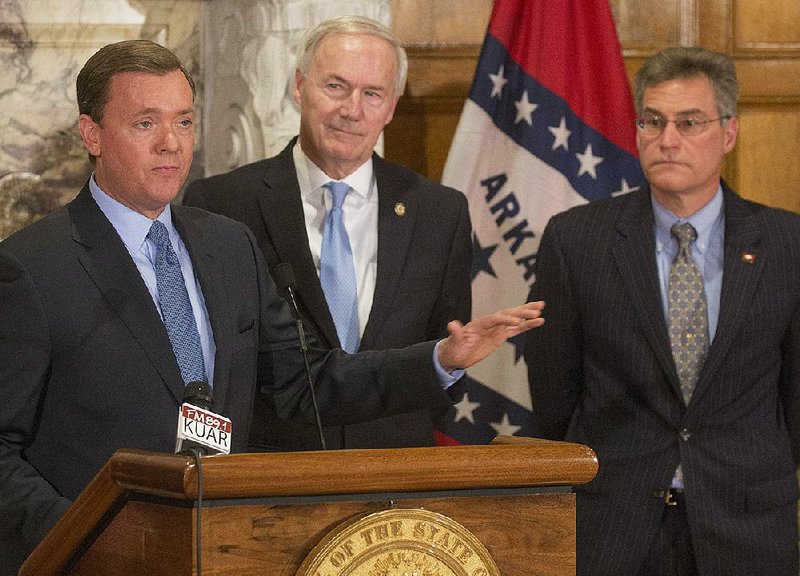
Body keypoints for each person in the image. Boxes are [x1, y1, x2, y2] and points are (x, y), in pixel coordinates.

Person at [0, 39, 544, 575]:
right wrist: (87, 537)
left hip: (228, 549)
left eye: (184, 122)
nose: (171, 143)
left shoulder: (227, 245)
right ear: (92, 133)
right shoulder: (32, 267)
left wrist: (439, 359)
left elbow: (304, 380)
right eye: (145, 123)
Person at [525, 46, 800, 576]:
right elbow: (555, 392)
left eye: (689, 122)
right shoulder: (577, 239)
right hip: (614, 523)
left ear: (729, 133)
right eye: (652, 122)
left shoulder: (787, 244)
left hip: (748, 528)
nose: (667, 139)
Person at [182, 16, 472, 451]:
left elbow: (445, 355)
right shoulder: (221, 204)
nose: (351, 109)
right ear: (299, 86)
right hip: (271, 471)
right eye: (335, 86)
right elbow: (212, 362)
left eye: (372, 93)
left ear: (391, 107)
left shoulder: (439, 212)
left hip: (396, 473)